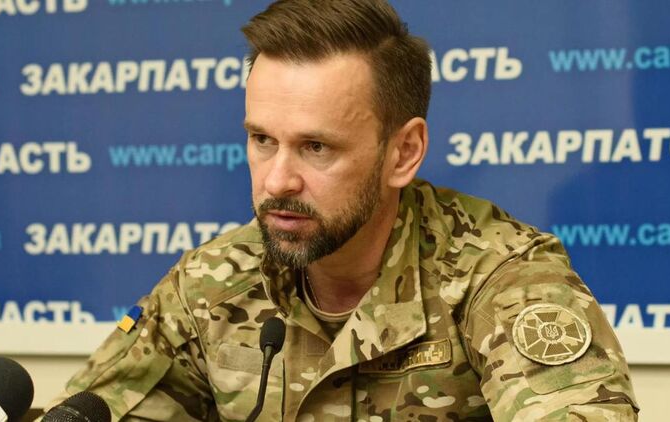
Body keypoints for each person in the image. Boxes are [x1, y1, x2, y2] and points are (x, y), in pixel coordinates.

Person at [46, 1, 639, 420]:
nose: (277, 180)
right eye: (262, 140)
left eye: (316, 147)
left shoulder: (502, 278)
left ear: (403, 152)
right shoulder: (211, 283)